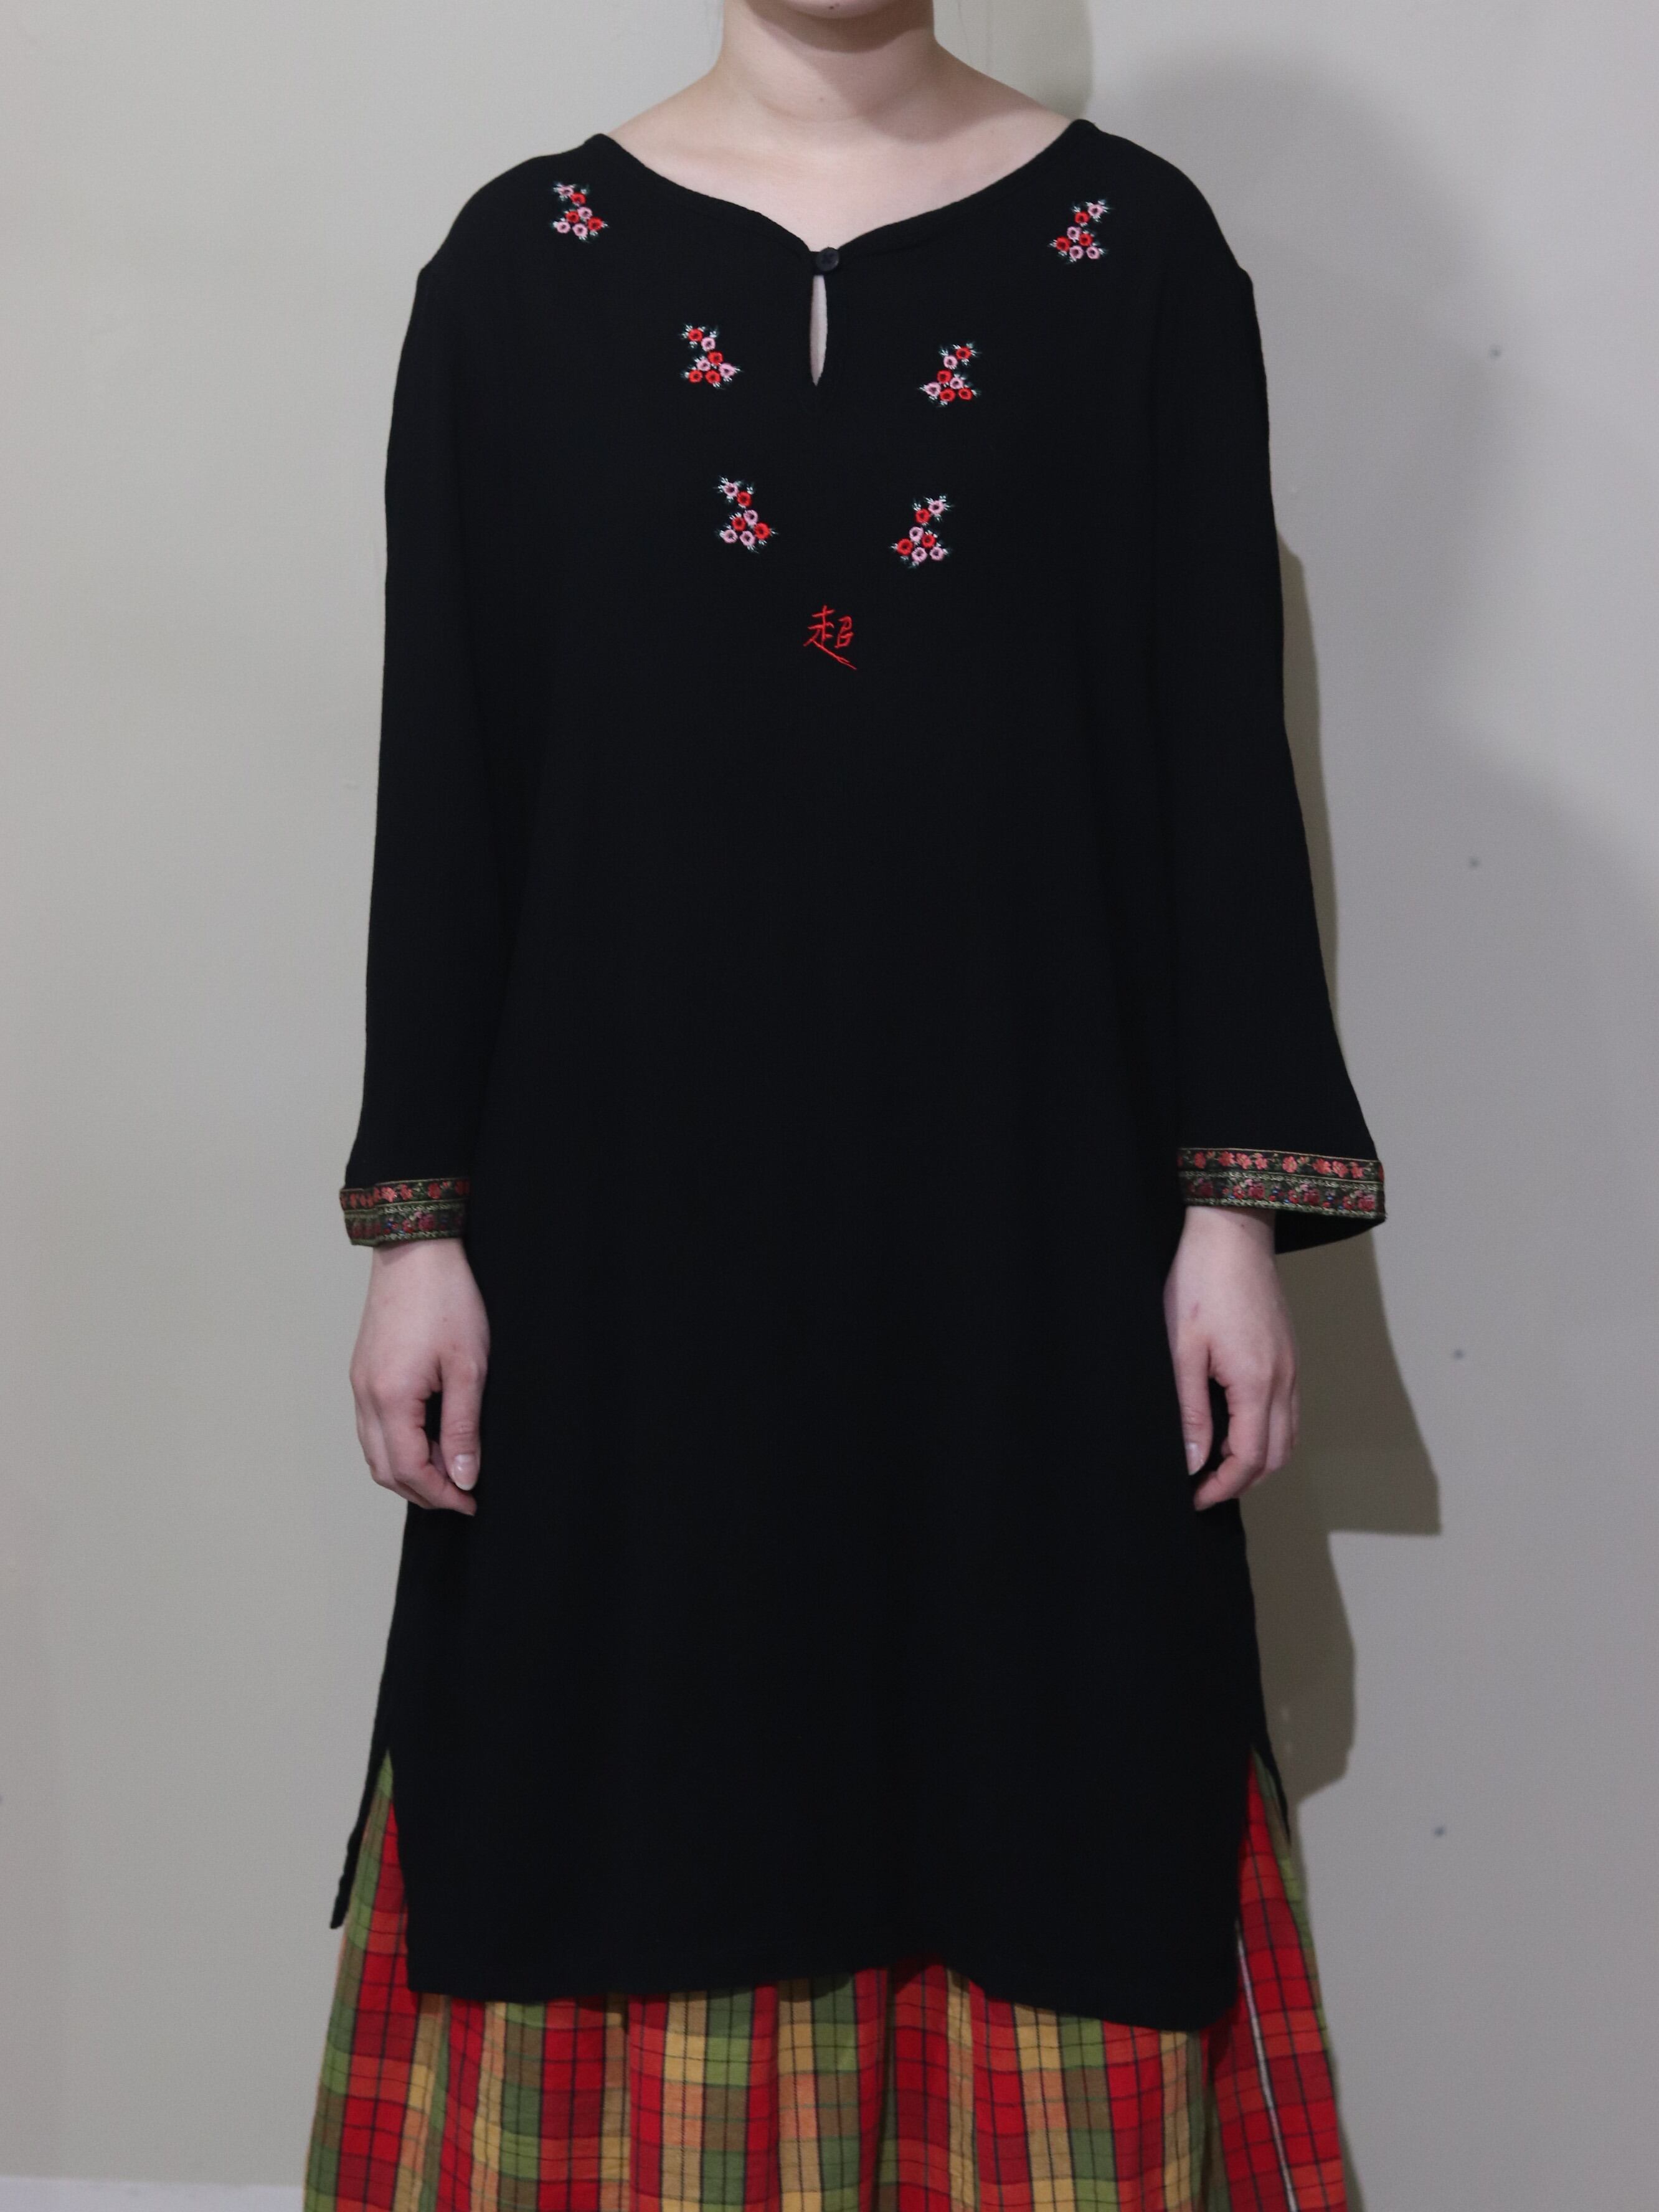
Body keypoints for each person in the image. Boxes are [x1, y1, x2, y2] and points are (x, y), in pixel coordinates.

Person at [303, 4, 1384, 2206]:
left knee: (1055, 1761)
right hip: (613, 1235)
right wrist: (420, 1226)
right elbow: (453, 775)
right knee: (615, 1755)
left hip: (1039, 1214)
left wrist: (1231, 1212)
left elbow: (1214, 749)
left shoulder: (1134, 252)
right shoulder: (520, 269)